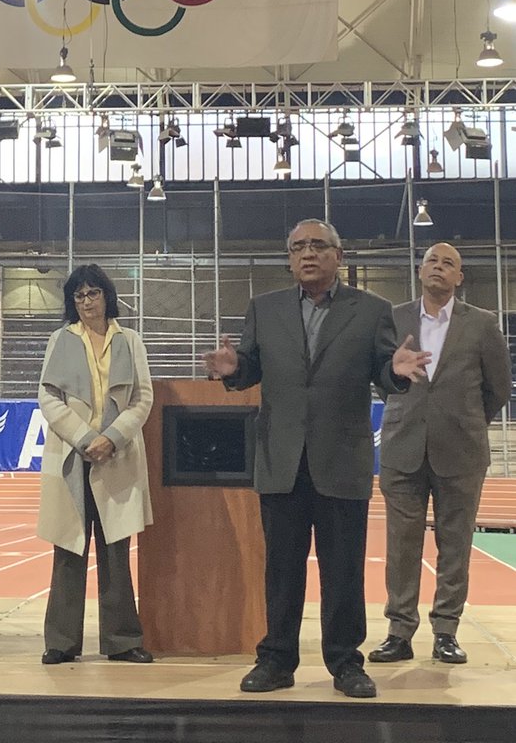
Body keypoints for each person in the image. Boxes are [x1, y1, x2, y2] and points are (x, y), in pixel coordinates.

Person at [205, 219, 429, 699]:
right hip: (281, 459)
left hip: (341, 459)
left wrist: (395, 371)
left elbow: (386, 371)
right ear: (289, 258)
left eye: (318, 246)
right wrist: (234, 369)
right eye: (298, 247)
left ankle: (346, 663)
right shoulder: (264, 308)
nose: (308, 253)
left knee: (343, 570)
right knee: (281, 570)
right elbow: (250, 368)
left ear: (338, 256)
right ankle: (276, 660)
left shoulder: (372, 310)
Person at [369, 242, 511, 666]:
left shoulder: (482, 324)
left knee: (455, 545)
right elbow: (381, 378)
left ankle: (446, 631)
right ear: (420, 270)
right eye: (432, 260)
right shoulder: (393, 319)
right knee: (401, 546)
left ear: (459, 278)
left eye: (449, 263)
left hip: (462, 451)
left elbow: (498, 388)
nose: (439, 267)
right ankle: (399, 632)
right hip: (403, 447)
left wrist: (463, 420)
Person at [37, 263, 154, 665]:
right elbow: (48, 397)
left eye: (93, 293)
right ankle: (60, 642)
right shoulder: (60, 340)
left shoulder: (130, 341)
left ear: (107, 296)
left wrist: (112, 438)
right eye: (79, 295)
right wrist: (86, 439)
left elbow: (143, 398)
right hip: (73, 456)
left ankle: (123, 641)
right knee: (68, 549)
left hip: (116, 456)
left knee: (116, 551)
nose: (87, 302)